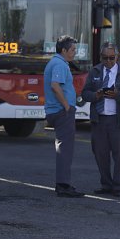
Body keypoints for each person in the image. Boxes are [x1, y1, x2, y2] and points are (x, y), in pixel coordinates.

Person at [81, 43, 120, 197]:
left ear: (117, 57)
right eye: (105, 58)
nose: (109, 61)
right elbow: (85, 93)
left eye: (112, 58)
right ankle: (106, 184)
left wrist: (117, 95)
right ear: (101, 57)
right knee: (100, 154)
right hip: (99, 119)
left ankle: (118, 187)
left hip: (118, 120)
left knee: (119, 155)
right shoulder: (95, 71)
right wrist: (95, 96)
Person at [44, 36, 82, 197]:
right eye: (72, 50)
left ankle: (63, 184)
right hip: (61, 111)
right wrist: (67, 105)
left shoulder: (57, 63)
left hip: (57, 110)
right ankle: (63, 185)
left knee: (64, 148)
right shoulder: (59, 64)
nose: (75, 53)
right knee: (65, 149)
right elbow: (55, 85)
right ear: (64, 50)